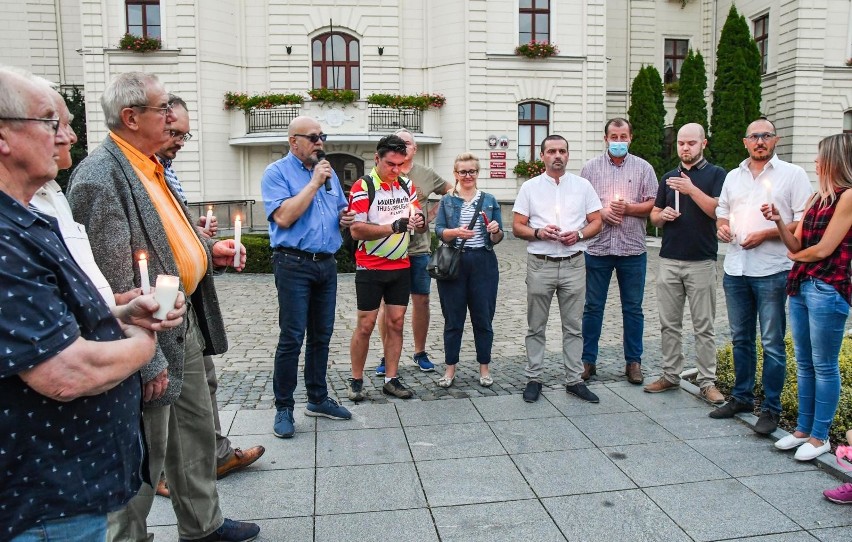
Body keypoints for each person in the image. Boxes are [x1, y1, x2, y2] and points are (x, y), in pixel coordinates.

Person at [66, 72, 259, 542]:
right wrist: (146, 356)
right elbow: (113, 287)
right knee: (143, 452)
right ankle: (127, 537)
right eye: (162, 110)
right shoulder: (99, 178)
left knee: (193, 433)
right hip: (146, 338)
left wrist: (206, 249)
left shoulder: (149, 164)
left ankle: (203, 526)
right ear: (131, 118)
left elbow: (168, 236)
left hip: (181, 321)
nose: (172, 117)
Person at [0, 66, 182, 542]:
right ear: (3, 136)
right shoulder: (9, 234)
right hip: (43, 496)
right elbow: (64, 373)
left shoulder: (27, 218)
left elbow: (60, 316)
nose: (69, 134)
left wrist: (120, 314)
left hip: (69, 482)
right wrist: (146, 341)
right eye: (51, 122)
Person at [153, 95, 264, 494]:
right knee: (167, 388)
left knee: (203, 382)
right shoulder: (131, 175)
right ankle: (167, 473)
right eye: (173, 132)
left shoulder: (163, 171)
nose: (180, 140)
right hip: (161, 297)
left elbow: (172, 233)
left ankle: (212, 458)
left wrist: (202, 240)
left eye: (185, 133)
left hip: (186, 294)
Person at [709, 118, 813, 437]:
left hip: (771, 270)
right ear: (745, 142)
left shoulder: (793, 176)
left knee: (771, 342)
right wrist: (722, 228)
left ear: (775, 140)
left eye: (766, 136)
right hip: (735, 268)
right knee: (740, 338)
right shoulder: (733, 176)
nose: (760, 141)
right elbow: (721, 211)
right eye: (754, 136)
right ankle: (741, 398)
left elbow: (802, 223)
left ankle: (771, 408)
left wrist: (767, 234)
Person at [261, 115, 354, 440]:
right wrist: (313, 183)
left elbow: (339, 211)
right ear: (293, 141)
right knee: (291, 337)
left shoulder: (328, 174)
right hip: (293, 264)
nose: (319, 142)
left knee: (321, 336)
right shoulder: (276, 173)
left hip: (326, 264)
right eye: (312, 137)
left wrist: (346, 217)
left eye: (322, 136)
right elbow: (284, 217)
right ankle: (283, 407)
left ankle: (318, 399)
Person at [762, 133, 852, 460]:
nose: (815, 162)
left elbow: (825, 250)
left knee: (825, 364)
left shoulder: (848, 197)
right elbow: (796, 244)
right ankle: (802, 429)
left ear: (834, 161)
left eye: (820, 158)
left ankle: (820, 436)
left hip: (828, 288)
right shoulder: (816, 199)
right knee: (804, 362)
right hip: (801, 286)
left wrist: (796, 258)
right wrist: (778, 222)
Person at [512, 135, 603, 403]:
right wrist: (539, 232)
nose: (557, 155)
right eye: (551, 151)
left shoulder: (582, 186)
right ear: (542, 156)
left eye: (562, 151)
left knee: (574, 326)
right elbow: (517, 226)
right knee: (536, 325)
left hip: (574, 262)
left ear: (568, 155)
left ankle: (574, 379)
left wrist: (580, 235)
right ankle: (534, 377)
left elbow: (597, 220)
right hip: (541, 264)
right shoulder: (529, 187)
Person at [643, 123, 727, 404]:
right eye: (681, 143)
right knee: (669, 323)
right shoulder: (668, 177)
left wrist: (691, 190)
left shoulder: (716, 175)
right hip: (669, 259)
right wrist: (661, 215)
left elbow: (717, 211)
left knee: (704, 326)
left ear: (703, 144)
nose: (685, 148)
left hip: (701, 261)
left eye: (691, 143)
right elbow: (653, 215)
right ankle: (670, 374)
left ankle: (706, 381)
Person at [346, 134, 426, 401]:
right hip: (370, 266)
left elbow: (416, 215)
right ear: (377, 159)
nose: (395, 170)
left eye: (400, 164)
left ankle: (391, 379)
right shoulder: (363, 186)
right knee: (366, 325)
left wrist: (419, 219)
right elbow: (356, 230)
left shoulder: (406, 185)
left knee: (396, 322)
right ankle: (356, 379)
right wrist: (392, 227)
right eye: (390, 164)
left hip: (400, 265)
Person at [580, 117, 658, 385]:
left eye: (623, 136)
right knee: (592, 307)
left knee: (633, 308)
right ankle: (588, 360)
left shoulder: (644, 168)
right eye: (614, 137)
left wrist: (628, 209)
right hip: (597, 248)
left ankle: (633, 362)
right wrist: (602, 213)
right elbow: (581, 205)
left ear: (630, 138)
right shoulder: (590, 169)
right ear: (605, 139)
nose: (618, 141)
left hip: (632, 249)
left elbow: (652, 203)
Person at [374, 128, 452, 376]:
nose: (403, 146)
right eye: (398, 143)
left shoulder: (426, 174)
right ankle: (387, 355)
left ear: (415, 148)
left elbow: (452, 191)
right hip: (389, 249)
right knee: (388, 305)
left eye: (407, 143)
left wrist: (433, 214)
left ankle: (419, 352)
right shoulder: (382, 172)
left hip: (418, 249)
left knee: (421, 300)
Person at [433, 152, 504, 387]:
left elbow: (498, 236)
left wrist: (494, 230)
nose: (467, 176)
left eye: (471, 171)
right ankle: (450, 368)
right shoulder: (447, 200)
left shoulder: (490, 200)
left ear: (477, 173)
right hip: (454, 263)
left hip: (483, 263)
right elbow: (439, 230)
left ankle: (484, 368)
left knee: (483, 318)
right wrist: (454, 233)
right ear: (455, 174)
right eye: (462, 172)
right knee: (453, 319)